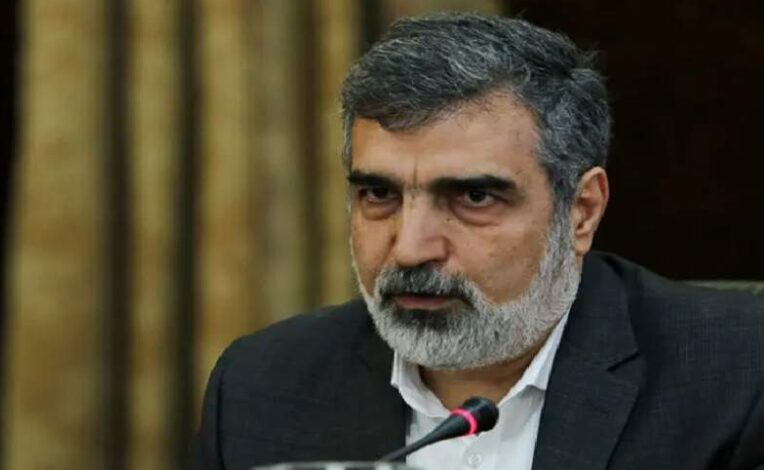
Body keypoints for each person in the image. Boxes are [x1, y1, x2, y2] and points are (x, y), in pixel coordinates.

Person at [190, 13, 764, 470]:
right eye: (379, 194)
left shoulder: (739, 375)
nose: (411, 249)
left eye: (473, 197)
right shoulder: (262, 387)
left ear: (582, 211)